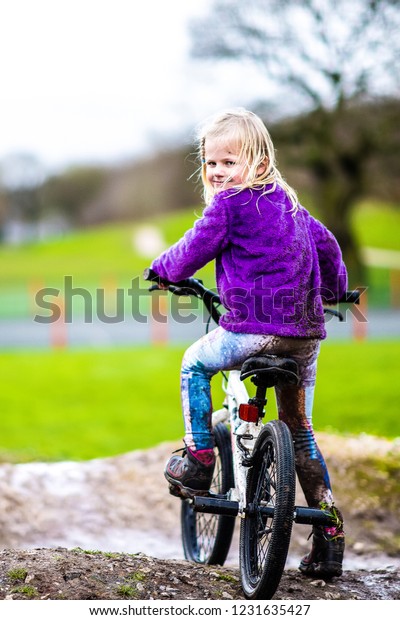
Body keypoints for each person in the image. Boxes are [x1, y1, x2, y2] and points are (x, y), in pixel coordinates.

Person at [146, 107, 348, 578]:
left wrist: (163, 270)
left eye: (228, 162)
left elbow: (194, 247)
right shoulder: (292, 206)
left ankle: (197, 460)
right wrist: (335, 291)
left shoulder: (228, 206)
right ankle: (330, 537)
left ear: (258, 163)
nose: (217, 172)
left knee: (194, 363)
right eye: (210, 163)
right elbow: (330, 247)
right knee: (299, 430)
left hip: (252, 328)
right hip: (304, 337)